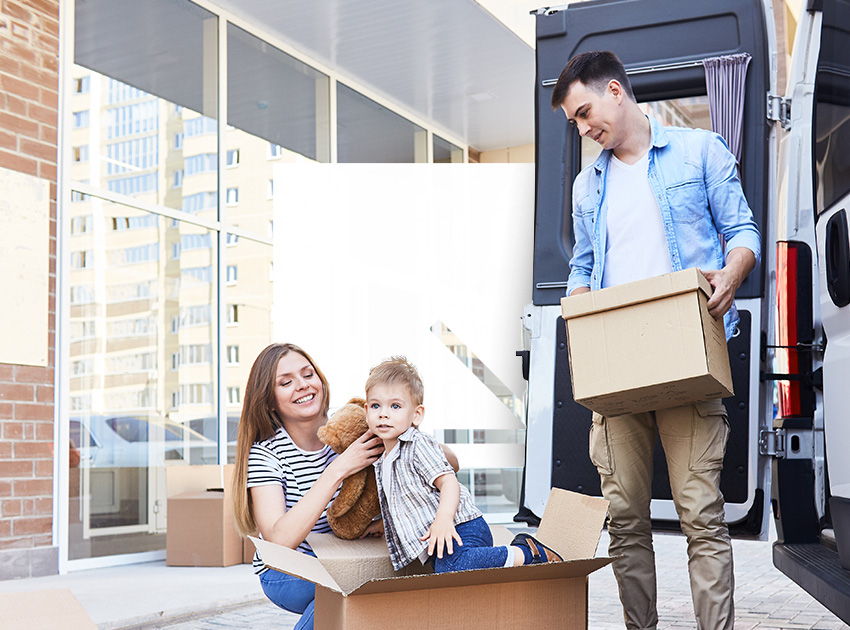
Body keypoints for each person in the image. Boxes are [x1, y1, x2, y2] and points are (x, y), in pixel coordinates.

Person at [550, 51, 760, 630]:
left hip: (686, 351)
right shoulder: (586, 183)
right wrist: (576, 310)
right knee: (625, 520)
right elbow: (585, 264)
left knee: (701, 516)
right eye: (574, 122)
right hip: (616, 363)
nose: (584, 128)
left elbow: (743, 231)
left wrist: (732, 272)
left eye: (585, 112)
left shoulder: (700, 150)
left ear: (616, 91)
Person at [231, 343, 385, 630]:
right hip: (287, 569)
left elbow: (446, 463)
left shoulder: (352, 427)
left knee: (365, 596)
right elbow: (278, 540)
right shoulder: (267, 454)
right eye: (286, 382)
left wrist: (401, 432)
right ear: (269, 401)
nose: (302, 386)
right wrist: (338, 469)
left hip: (343, 560)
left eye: (308, 374)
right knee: (341, 594)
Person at [364, 356, 562, 573]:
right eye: (376, 405)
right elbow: (407, 505)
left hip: (461, 526)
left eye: (395, 406)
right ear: (366, 411)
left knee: (452, 566)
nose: (383, 413)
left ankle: (529, 553)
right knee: (445, 568)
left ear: (417, 415)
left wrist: (443, 519)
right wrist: (381, 526)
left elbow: (449, 482)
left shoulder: (417, 444)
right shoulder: (383, 461)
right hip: (442, 537)